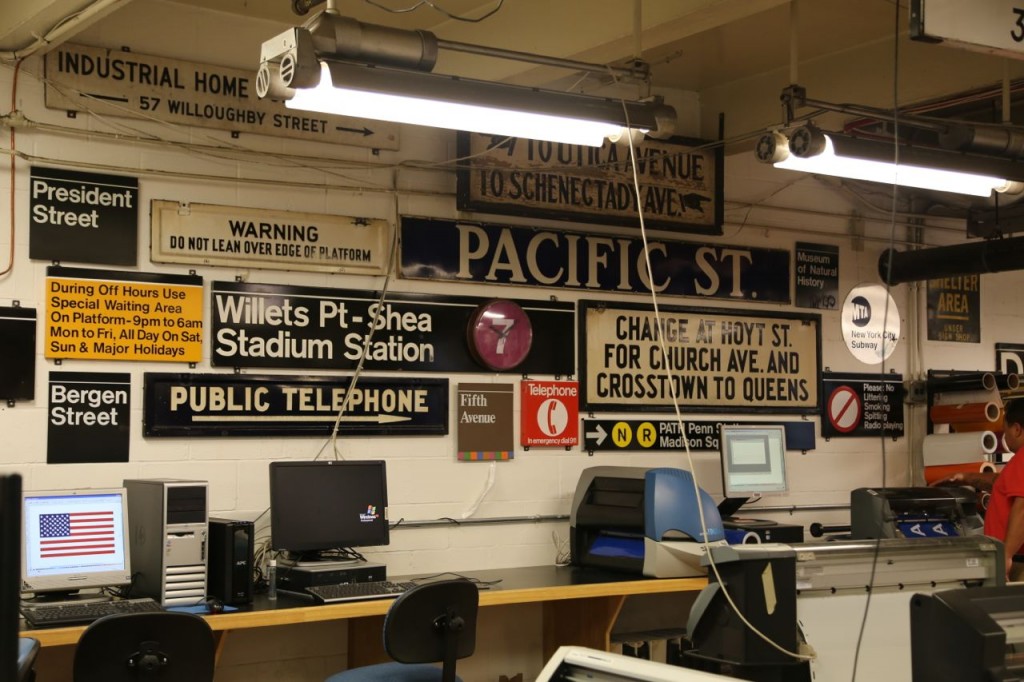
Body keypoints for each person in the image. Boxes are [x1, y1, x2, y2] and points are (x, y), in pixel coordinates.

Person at [931, 398, 1024, 581]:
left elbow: (1022, 508)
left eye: (1005, 431)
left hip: (1016, 563)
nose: (1004, 437)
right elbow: (1004, 484)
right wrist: (966, 478)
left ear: (1016, 429)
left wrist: (1005, 555)